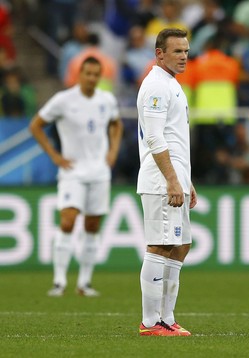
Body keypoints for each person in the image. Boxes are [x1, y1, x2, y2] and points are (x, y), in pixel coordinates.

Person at [29, 56, 123, 297]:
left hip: (99, 172)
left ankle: (84, 283)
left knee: (92, 225)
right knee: (68, 221)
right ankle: (59, 281)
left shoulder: (107, 100)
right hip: (73, 172)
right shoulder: (63, 100)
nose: (91, 78)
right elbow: (36, 125)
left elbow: (116, 124)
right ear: (79, 75)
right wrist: (54, 155)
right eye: (87, 74)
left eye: (95, 74)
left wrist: (113, 151)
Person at [136, 28, 197, 337]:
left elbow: (175, 138)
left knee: (180, 245)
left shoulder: (170, 83)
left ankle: (167, 317)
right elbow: (155, 137)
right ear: (159, 54)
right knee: (160, 245)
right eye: (177, 51)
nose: (184, 56)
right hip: (161, 181)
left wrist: (186, 181)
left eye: (186, 50)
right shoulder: (157, 86)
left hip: (176, 179)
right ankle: (150, 323)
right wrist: (173, 181)